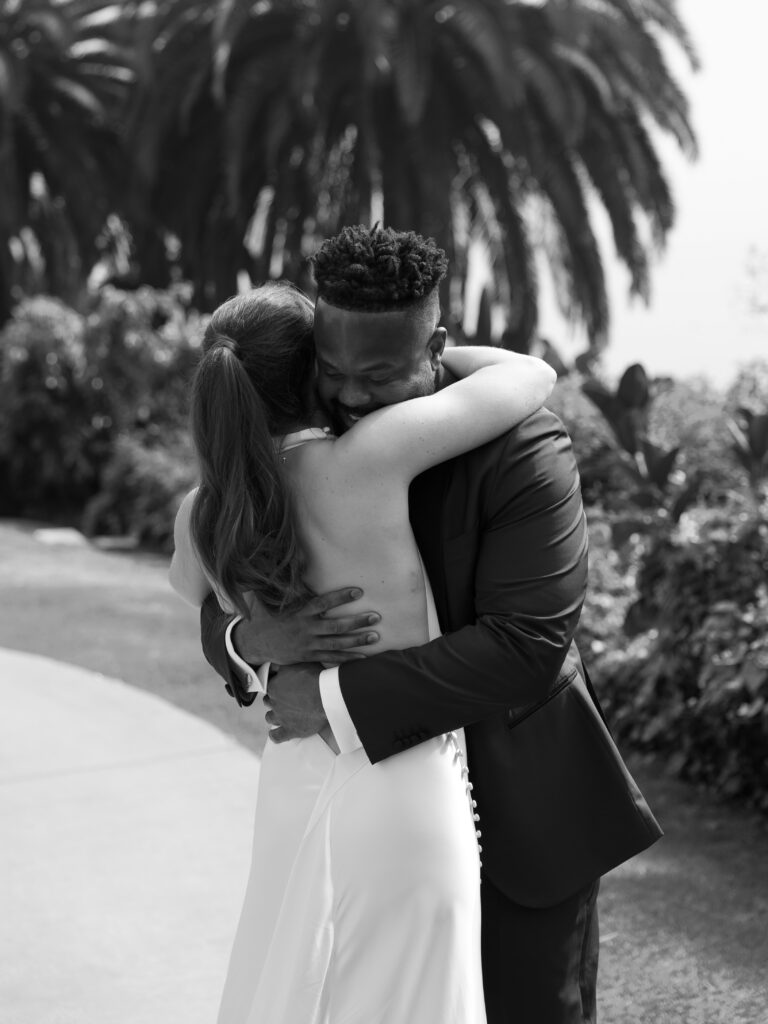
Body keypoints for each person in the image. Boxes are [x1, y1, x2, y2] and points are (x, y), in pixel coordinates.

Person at [199, 226, 664, 1024]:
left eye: (377, 376)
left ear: (437, 346)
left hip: (523, 815)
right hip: (365, 822)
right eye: (332, 372)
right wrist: (250, 643)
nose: (349, 398)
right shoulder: (303, 445)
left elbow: (526, 645)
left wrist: (332, 700)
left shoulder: (527, 449)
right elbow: (222, 590)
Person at [170, 275, 558, 1024]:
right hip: (401, 775)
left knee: (285, 991)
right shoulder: (373, 457)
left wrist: (250, 636)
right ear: (312, 369)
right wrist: (424, 347)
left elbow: (199, 600)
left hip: (292, 773)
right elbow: (532, 376)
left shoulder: (203, 511)